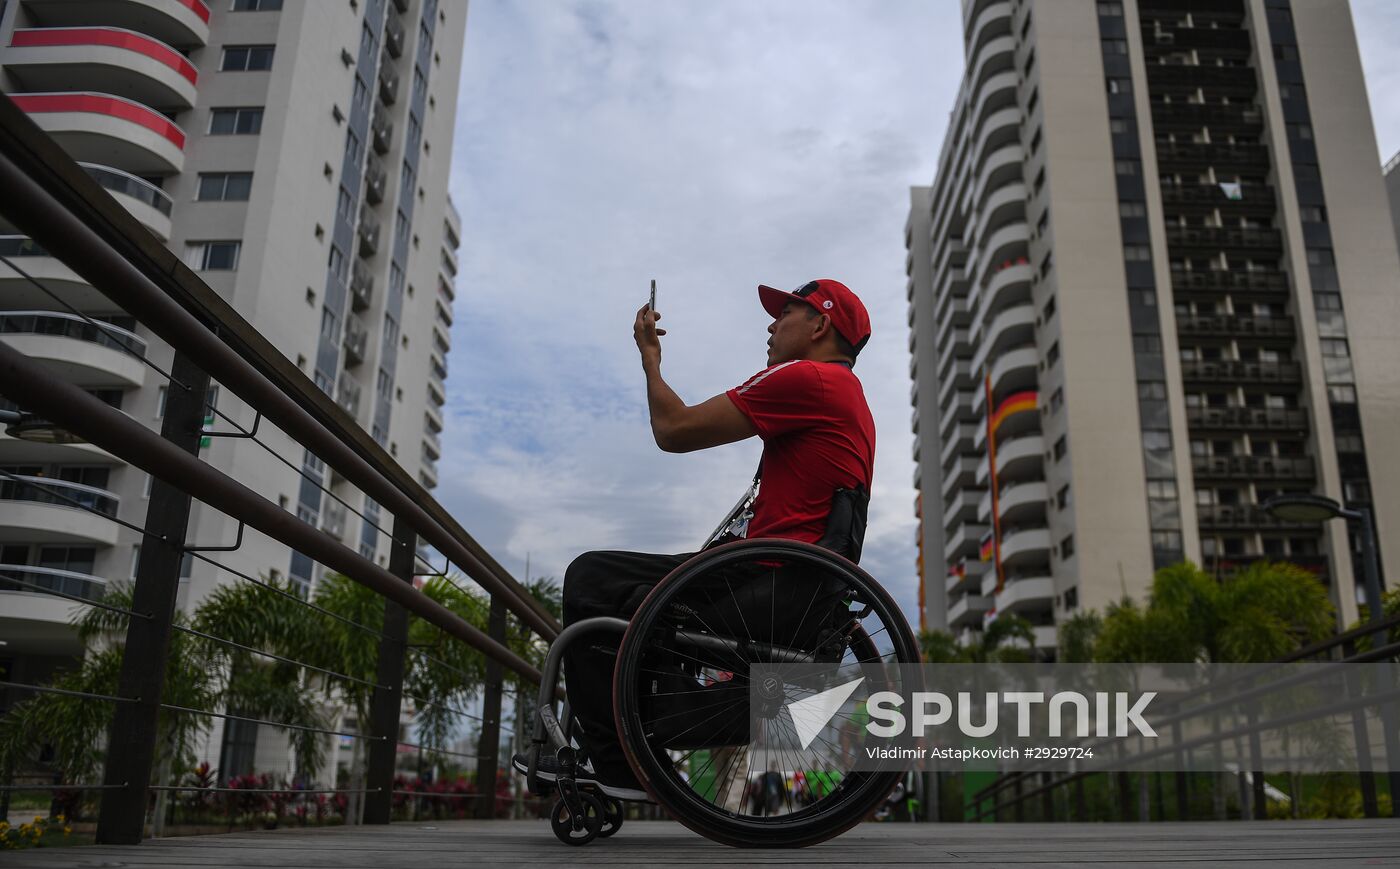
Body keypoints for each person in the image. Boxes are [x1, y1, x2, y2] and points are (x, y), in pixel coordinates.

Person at [513, 279, 875, 800]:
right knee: (625, 587)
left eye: (786, 314)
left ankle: (612, 763)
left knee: (592, 578)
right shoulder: (849, 398)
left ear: (820, 325)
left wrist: (651, 360)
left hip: (769, 578)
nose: (772, 325)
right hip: (803, 586)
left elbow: (674, 429)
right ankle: (636, 744)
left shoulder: (807, 379)